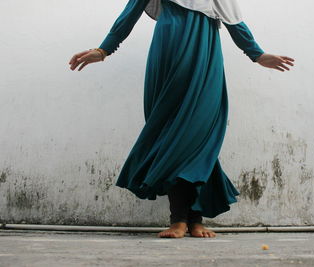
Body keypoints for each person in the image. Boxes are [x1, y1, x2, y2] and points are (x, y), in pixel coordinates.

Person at [69, 0, 294, 238]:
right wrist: (104, 50)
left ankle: (193, 219)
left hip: (206, 54)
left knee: (199, 137)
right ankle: (180, 219)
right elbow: (129, 14)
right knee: (173, 135)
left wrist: (257, 54)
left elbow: (233, 19)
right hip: (169, 51)